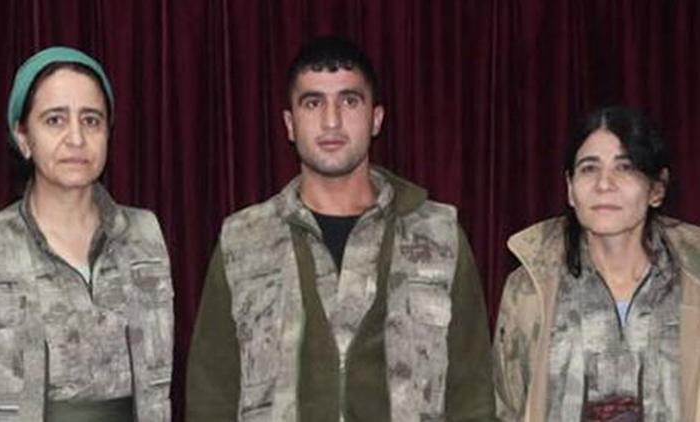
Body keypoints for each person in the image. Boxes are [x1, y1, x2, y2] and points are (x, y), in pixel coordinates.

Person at [186, 36, 495, 421]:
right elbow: (210, 396)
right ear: (290, 124)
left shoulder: (438, 236)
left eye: (349, 101)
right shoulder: (243, 240)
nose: (331, 121)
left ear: (376, 119)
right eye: (313, 103)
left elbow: (473, 394)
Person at [0, 47, 173, 421]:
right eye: (55, 120)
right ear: (23, 137)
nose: (76, 138)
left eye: (91, 120)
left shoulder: (144, 236)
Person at [492, 106, 700, 421]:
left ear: (657, 189)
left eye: (625, 167)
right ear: (570, 188)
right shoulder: (529, 289)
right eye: (589, 168)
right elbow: (505, 407)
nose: (604, 184)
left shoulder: (693, 282)